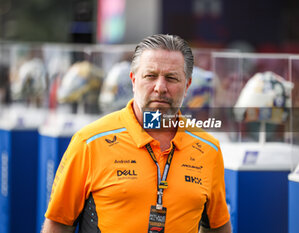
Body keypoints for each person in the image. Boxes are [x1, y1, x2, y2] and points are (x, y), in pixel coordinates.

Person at [42, 34, 231, 233]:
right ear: (133, 80)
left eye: (172, 78)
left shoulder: (209, 149)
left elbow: (218, 226)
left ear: (187, 86)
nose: (160, 87)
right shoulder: (89, 142)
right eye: (150, 76)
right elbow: (58, 224)